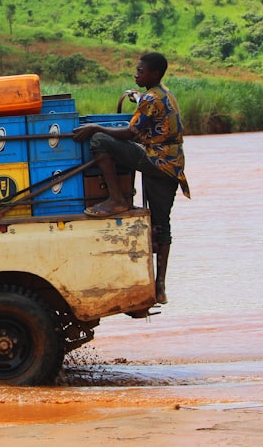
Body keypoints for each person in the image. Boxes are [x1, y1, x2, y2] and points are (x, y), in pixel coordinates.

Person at [73, 52, 190, 305]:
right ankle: (160, 287)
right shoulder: (163, 93)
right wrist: (137, 99)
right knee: (162, 224)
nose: (136, 74)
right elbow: (151, 115)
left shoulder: (150, 98)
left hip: (156, 161)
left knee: (99, 141)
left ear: (154, 74)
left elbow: (129, 132)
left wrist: (96, 127)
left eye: (140, 71)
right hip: (172, 165)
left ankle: (117, 199)